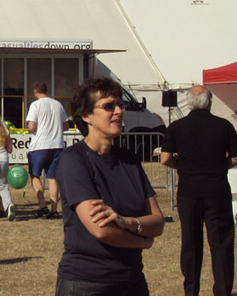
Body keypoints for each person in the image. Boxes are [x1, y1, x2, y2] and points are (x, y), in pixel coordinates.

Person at [56, 78, 164, 295]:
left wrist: (127, 222)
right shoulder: (74, 160)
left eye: (120, 105)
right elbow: (101, 229)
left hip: (133, 280)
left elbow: (158, 221)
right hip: (88, 283)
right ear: (86, 116)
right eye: (108, 106)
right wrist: (143, 242)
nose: (118, 111)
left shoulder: (130, 160)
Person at [161, 85, 237, 296]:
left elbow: (165, 158)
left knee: (190, 242)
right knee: (221, 243)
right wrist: (217, 166)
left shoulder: (176, 127)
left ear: (189, 103)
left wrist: (183, 167)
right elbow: (236, 157)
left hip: (189, 191)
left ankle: (191, 290)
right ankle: (223, 290)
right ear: (209, 102)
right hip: (216, 190)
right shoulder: (223, 126)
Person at [26, 82, 69, 219]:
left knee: (35, 175)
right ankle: (54, 209)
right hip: (57, 144)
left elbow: (32, 126)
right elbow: (66, 126)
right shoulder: (58, 104)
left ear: (35, 91)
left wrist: (28, 127)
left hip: (40, 145)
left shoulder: (35, 105)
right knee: (52, 177)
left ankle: (42, 205)